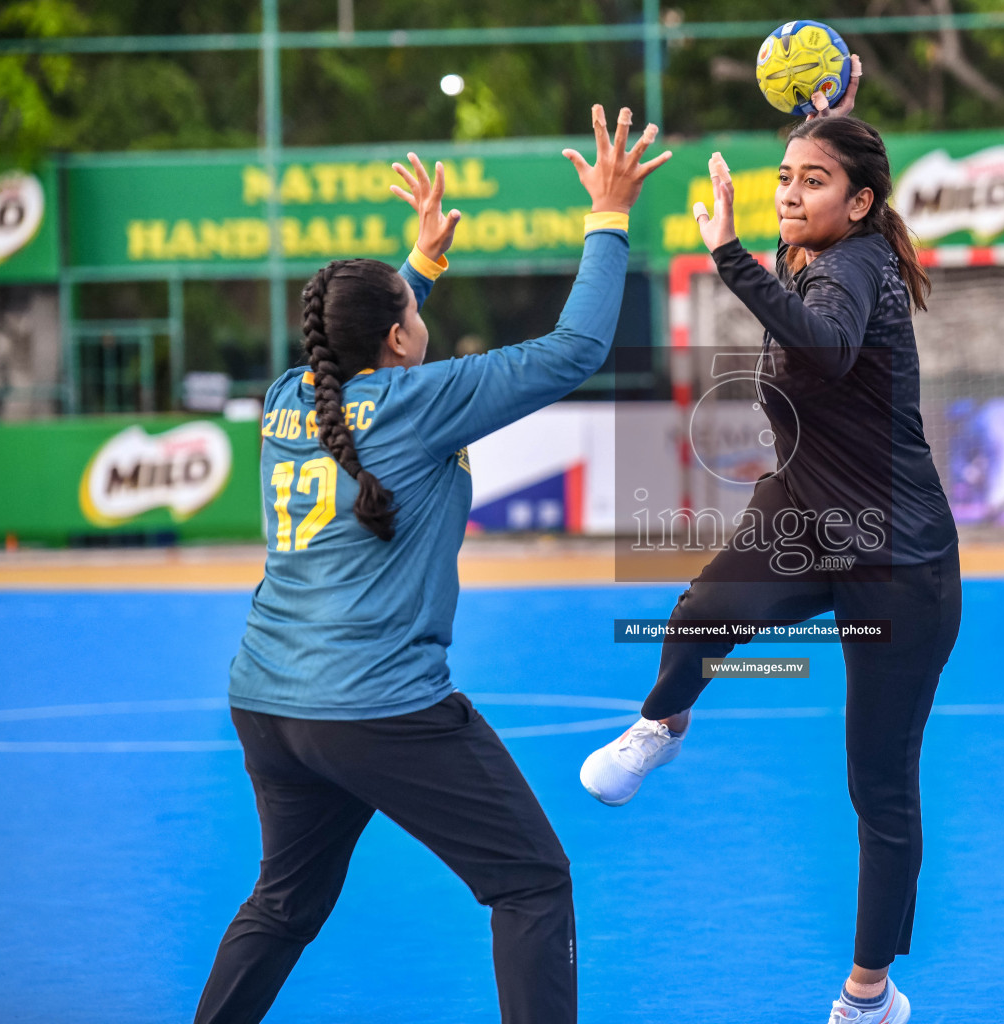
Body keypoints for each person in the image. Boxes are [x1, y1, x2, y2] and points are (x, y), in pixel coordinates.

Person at [194, 105, 670, 1024]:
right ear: (401, 340)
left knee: (284, 904)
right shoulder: (422, 401)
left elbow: (358, 359)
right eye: (414, 308)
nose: (419, 315)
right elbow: (575, 350)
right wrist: (608, 216)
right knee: (532, 882)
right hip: (377, 707)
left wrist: (421, 267)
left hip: (267, 701)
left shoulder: (288, 398)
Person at [579, 64, 962, 1024]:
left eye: (814, 181)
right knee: (699, 615)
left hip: (896, 553)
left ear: (862, 203)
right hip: (799, 513)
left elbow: (826, 344)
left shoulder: (854, 265)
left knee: (877, 782)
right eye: (784, 177)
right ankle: (663, 726)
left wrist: (730, 253)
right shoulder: (828, 234)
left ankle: (869, 998)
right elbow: (825, 181)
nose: (791, 191)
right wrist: (827, 112)